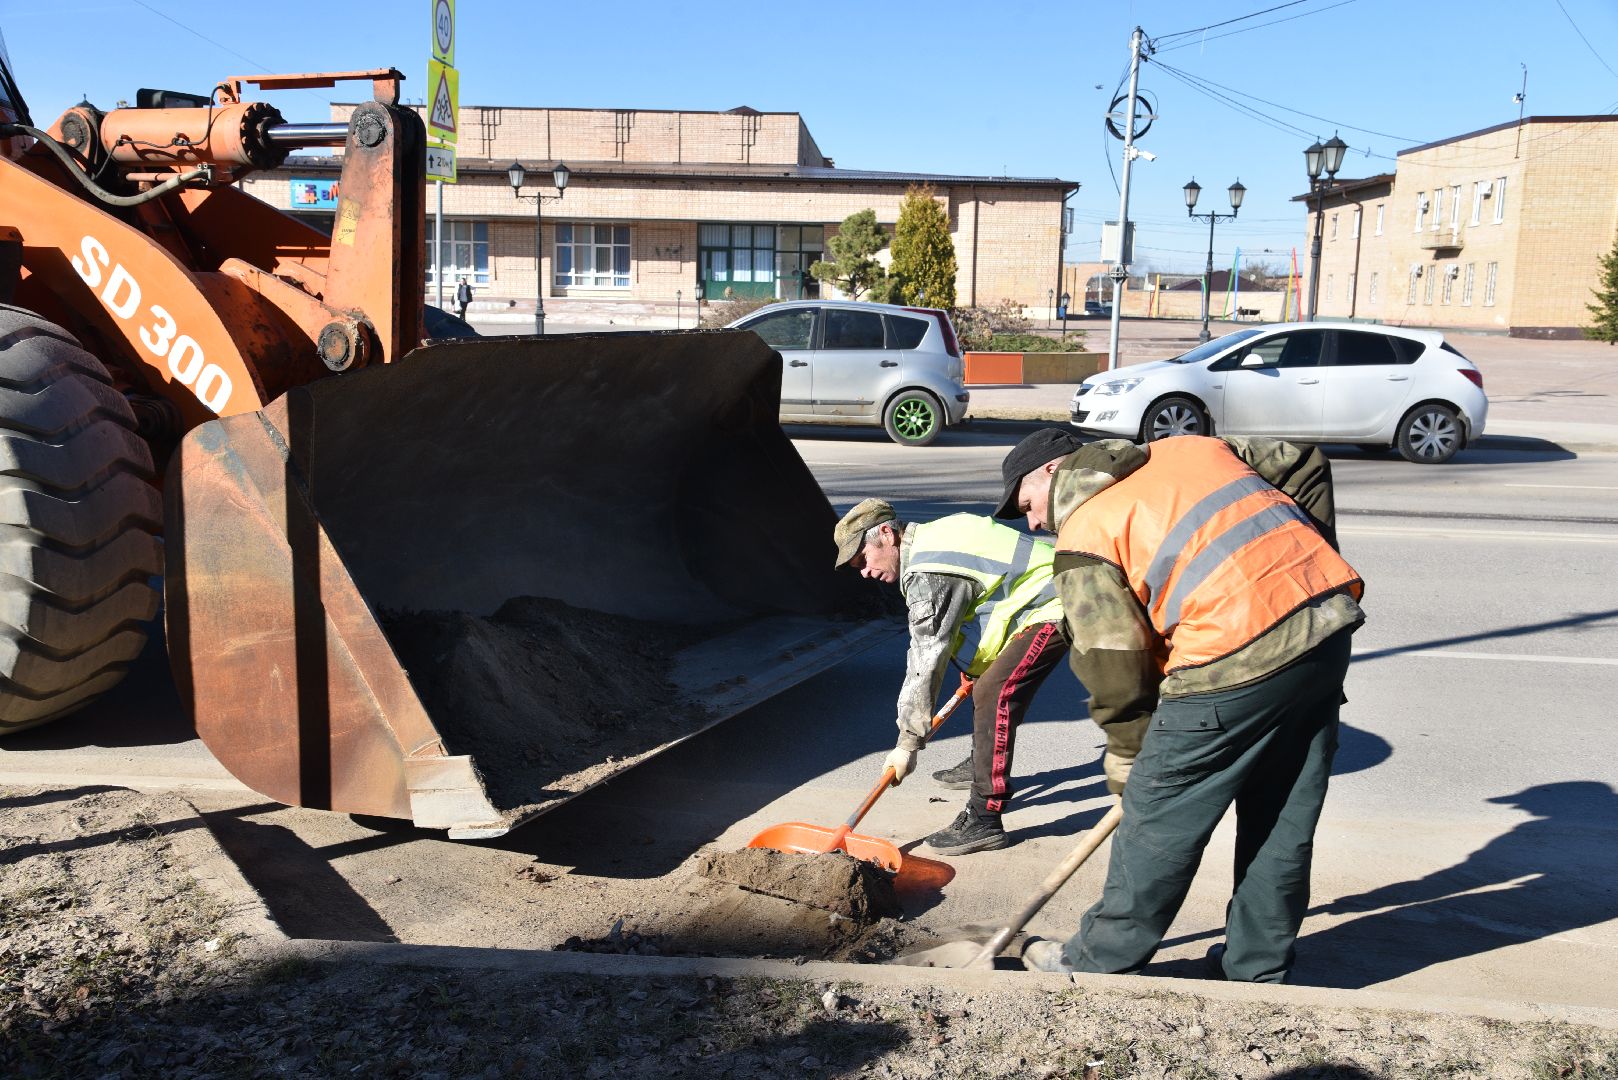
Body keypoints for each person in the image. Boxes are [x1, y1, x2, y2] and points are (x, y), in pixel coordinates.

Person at [995, 428, 1363, 983]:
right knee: (1281, 813)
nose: (1032, 523)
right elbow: (1304, 459)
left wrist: (1130, 760)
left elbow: (1115, 667)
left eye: (1026, 505)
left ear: (1051, 469)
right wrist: (1308, 562)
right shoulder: (1189, 448)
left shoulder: (1086, 533)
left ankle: (1098, 962)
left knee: (1156, 820)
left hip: (1228, 658)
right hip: (1324, 630)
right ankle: (1257, 967)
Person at [832, 498, 1071, 855]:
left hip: (1058, 600)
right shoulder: (933, 537)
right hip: (1043, 592)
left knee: (994, 693)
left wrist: (907, 743)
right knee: (988, 683)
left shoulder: (928, 571)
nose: (864, 572)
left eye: (863, 559)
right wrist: (974, 667)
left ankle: (984, 817)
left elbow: (927, 656)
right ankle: (982, 763)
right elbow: (983, 603)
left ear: (886, 534)